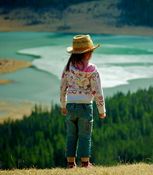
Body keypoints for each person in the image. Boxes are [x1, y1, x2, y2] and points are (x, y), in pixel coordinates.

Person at [60, 34, 106, 168]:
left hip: (70, 106)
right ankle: (85, 163)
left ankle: (70, 163)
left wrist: (63, 105)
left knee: (71, 135)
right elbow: (98, 91)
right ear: (88, 53)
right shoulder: (92, 70)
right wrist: (101, 111)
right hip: (86, 107)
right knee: (85, 135)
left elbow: (62, 87)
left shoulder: (68, 68)